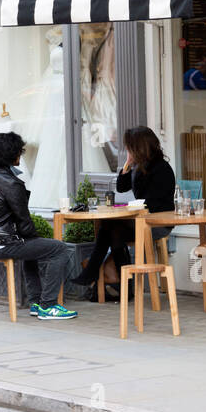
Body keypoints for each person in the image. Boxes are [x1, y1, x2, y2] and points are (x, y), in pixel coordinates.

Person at [0, 131, 78, 320]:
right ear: (13, 154)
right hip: (0, 243)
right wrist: (35, 237)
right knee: (58, 249)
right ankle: (49, 305)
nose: (21, 155)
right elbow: (24, 222)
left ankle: (36, 303)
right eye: (20, 152)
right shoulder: (12, 183)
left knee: (31, 247)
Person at [69, 127, 176, 298]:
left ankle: (97, 273)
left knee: (111, 228)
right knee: (111, 229)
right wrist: (127, 164)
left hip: (158, 222)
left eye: (129, 148)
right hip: (140, 220)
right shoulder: (139, 166)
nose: (127, 150)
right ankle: (122, 286)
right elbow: (121, 187)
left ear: (139, 147)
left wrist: (132, 209)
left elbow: (153, 205)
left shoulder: (161, 169)